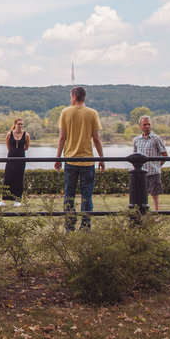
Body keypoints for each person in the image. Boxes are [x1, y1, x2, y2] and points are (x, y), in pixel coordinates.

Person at [54, 87, 105, 231]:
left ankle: (69, 226)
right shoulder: (92, 113)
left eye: (70, 96)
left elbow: (62, 137)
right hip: (87, 161)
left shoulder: (65, 112)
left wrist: (58, 158)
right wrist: (102, 159)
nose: (70, 99)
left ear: (75, 97)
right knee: (87, 195)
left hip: (70, 160)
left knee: (69, 195)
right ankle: (85, 226)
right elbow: (97, 138)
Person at [132, 115, 168, 211]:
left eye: (149, 124)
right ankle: (141, 213)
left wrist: (157, 165)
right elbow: (134, 156)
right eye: (144, 124)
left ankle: (156, 212)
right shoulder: (136, 140)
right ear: (140, 126)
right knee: (140, 195)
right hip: (141, 173)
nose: (147, 126)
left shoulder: (157, 139)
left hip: (153, 172)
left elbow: (165, 155)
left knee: (155, 194)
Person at [0, 118, 30, 206]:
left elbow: (26, 147)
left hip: (21, 159)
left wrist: (19, 152)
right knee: (7, 178)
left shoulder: (26, 135)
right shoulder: (9, 134)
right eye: (18, 124)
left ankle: (17, 200)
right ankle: (4, 200)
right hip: (11, 158)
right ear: (15, 124)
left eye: (21, 124)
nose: (20, 126)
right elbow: (8, 147)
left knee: (19, 178)